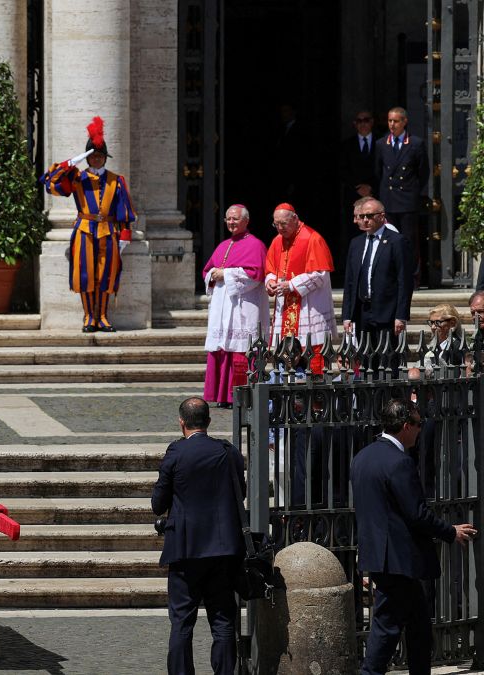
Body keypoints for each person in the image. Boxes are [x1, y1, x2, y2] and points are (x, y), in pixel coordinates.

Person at [351, 398, 476, 675]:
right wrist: (450, 531)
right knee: (385, 631)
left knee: (419, 629)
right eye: (418, 425)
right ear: (406, 427)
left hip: (381, 557)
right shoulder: (399, 463)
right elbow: (417, 514)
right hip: (399, 561)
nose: (421, 430)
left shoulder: (363, 457)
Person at [151, 397, 243, 675]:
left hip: (186, 549)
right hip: (223, 548)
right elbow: (242, 491)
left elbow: (158, 502)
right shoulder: (228, 452)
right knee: (223, 620)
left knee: (181, 621)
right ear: (209, 422)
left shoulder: (176, 453)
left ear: (182, 423)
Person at [41, 116, 137, 332]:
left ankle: (102, 316)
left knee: (106, 275)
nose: (96, 160)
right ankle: (88, 317)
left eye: (100, 156)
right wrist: (71, 162)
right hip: (84, 231)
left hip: (109, 231)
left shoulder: (116, 180)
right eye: (92, 156)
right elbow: (51, 183)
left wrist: (125, 237)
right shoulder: (77, 177)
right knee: (85, 274)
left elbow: (125, 212)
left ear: (105, 158)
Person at [202, 205, 268, 408]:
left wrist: (226, 274)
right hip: (223, 306)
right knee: (222, 349)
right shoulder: (223, 245)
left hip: (243, 307)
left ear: (246, 221)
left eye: (235, 219)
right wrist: (214, 274)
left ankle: (239, 396)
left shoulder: (255, 245)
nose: (231, 222)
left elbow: (256, 275)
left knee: (241, 349)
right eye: (228, 219)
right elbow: (207, 271)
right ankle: (222, 395)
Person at [341, 196, 413, 372]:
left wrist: (401, 315)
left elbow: (404, 280)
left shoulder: (396, 241)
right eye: (363, 216)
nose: (365, 220)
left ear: (381, 216)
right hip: (363, 311)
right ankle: (369, 398)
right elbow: (350, 281)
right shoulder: (356, 243)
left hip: (387, 312)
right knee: (366, 360)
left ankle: (389, 398)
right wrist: (347, 314)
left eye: (370, 215)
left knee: (387, 360)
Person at [264, 203, 335, 372]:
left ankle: (315, 398)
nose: (280, 228)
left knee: (312, 354)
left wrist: (291, 285)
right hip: (286, 306)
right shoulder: (277, 241)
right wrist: (270, 281)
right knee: (286, 355)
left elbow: (320, 274)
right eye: (276, 224)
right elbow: (270, 268)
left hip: (309, 308)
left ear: (295, 219)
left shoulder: (312, 238)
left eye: (284, 224)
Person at [374, 107, 431, 286]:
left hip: (407, 201)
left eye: (396, 121)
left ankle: (412, 278)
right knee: (388, 240)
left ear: (404, 122)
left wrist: (413, 191)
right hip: (389, 200)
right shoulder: (382, 144)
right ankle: (392, 277)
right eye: (390, 121)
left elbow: (423, 172)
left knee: (408, 241)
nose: (392, 124)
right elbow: (378, 172)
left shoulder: (415, 143)